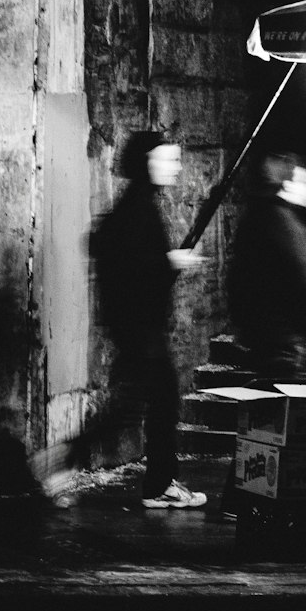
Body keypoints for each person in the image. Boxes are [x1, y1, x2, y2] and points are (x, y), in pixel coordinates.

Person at [85, 131, 208, 509]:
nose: (176, 168)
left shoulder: (140, 202)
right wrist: (170, 261)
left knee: (146, 404)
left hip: (138, 326)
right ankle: (155, 484)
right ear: (147, 162)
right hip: (140, 328)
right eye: (168, 160)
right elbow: (128, 262)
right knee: (148, 405)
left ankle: (159, 483)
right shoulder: (138, 205)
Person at [227, 151, 306, 382]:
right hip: (281, 337)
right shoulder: (285, 226)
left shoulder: (260, 217)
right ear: (287, 186)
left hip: (263, 331)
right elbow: (300, 282)